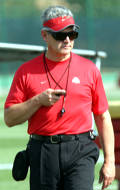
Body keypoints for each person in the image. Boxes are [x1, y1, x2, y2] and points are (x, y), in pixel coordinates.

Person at [4, 5, 115, 190]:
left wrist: (109, 162)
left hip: (81, 149)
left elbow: (103, 117)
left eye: (72, 34)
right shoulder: (26, 72)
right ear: (45, 35)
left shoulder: (89, 70)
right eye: (60, 35)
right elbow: (9, 118)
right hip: (43, 151)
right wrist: (38, 101)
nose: (67, 40)